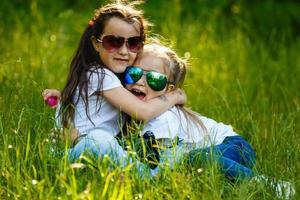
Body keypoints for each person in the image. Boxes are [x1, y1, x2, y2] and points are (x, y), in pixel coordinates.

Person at [122, 42, 295, 199]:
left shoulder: (165, 117)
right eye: (134, 73)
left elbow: (153, 165)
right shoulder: (129, 112)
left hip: (234, 146)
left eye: (154, 79)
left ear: (169, 90)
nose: (141, 82)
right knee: (196, 170)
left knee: (197, 159)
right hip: (219, 154)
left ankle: (271, 185)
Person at [42, 2, 185, 169]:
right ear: (96, 43)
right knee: (100, 140)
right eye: (113, 42)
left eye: (133, 43)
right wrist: (175, 95)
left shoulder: (112, 76)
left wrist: (63, 96)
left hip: (86, 150)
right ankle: (146, 176)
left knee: (108, 143)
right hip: (83, 148)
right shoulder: (100, 75)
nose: (124, 51)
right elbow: (143, 112)